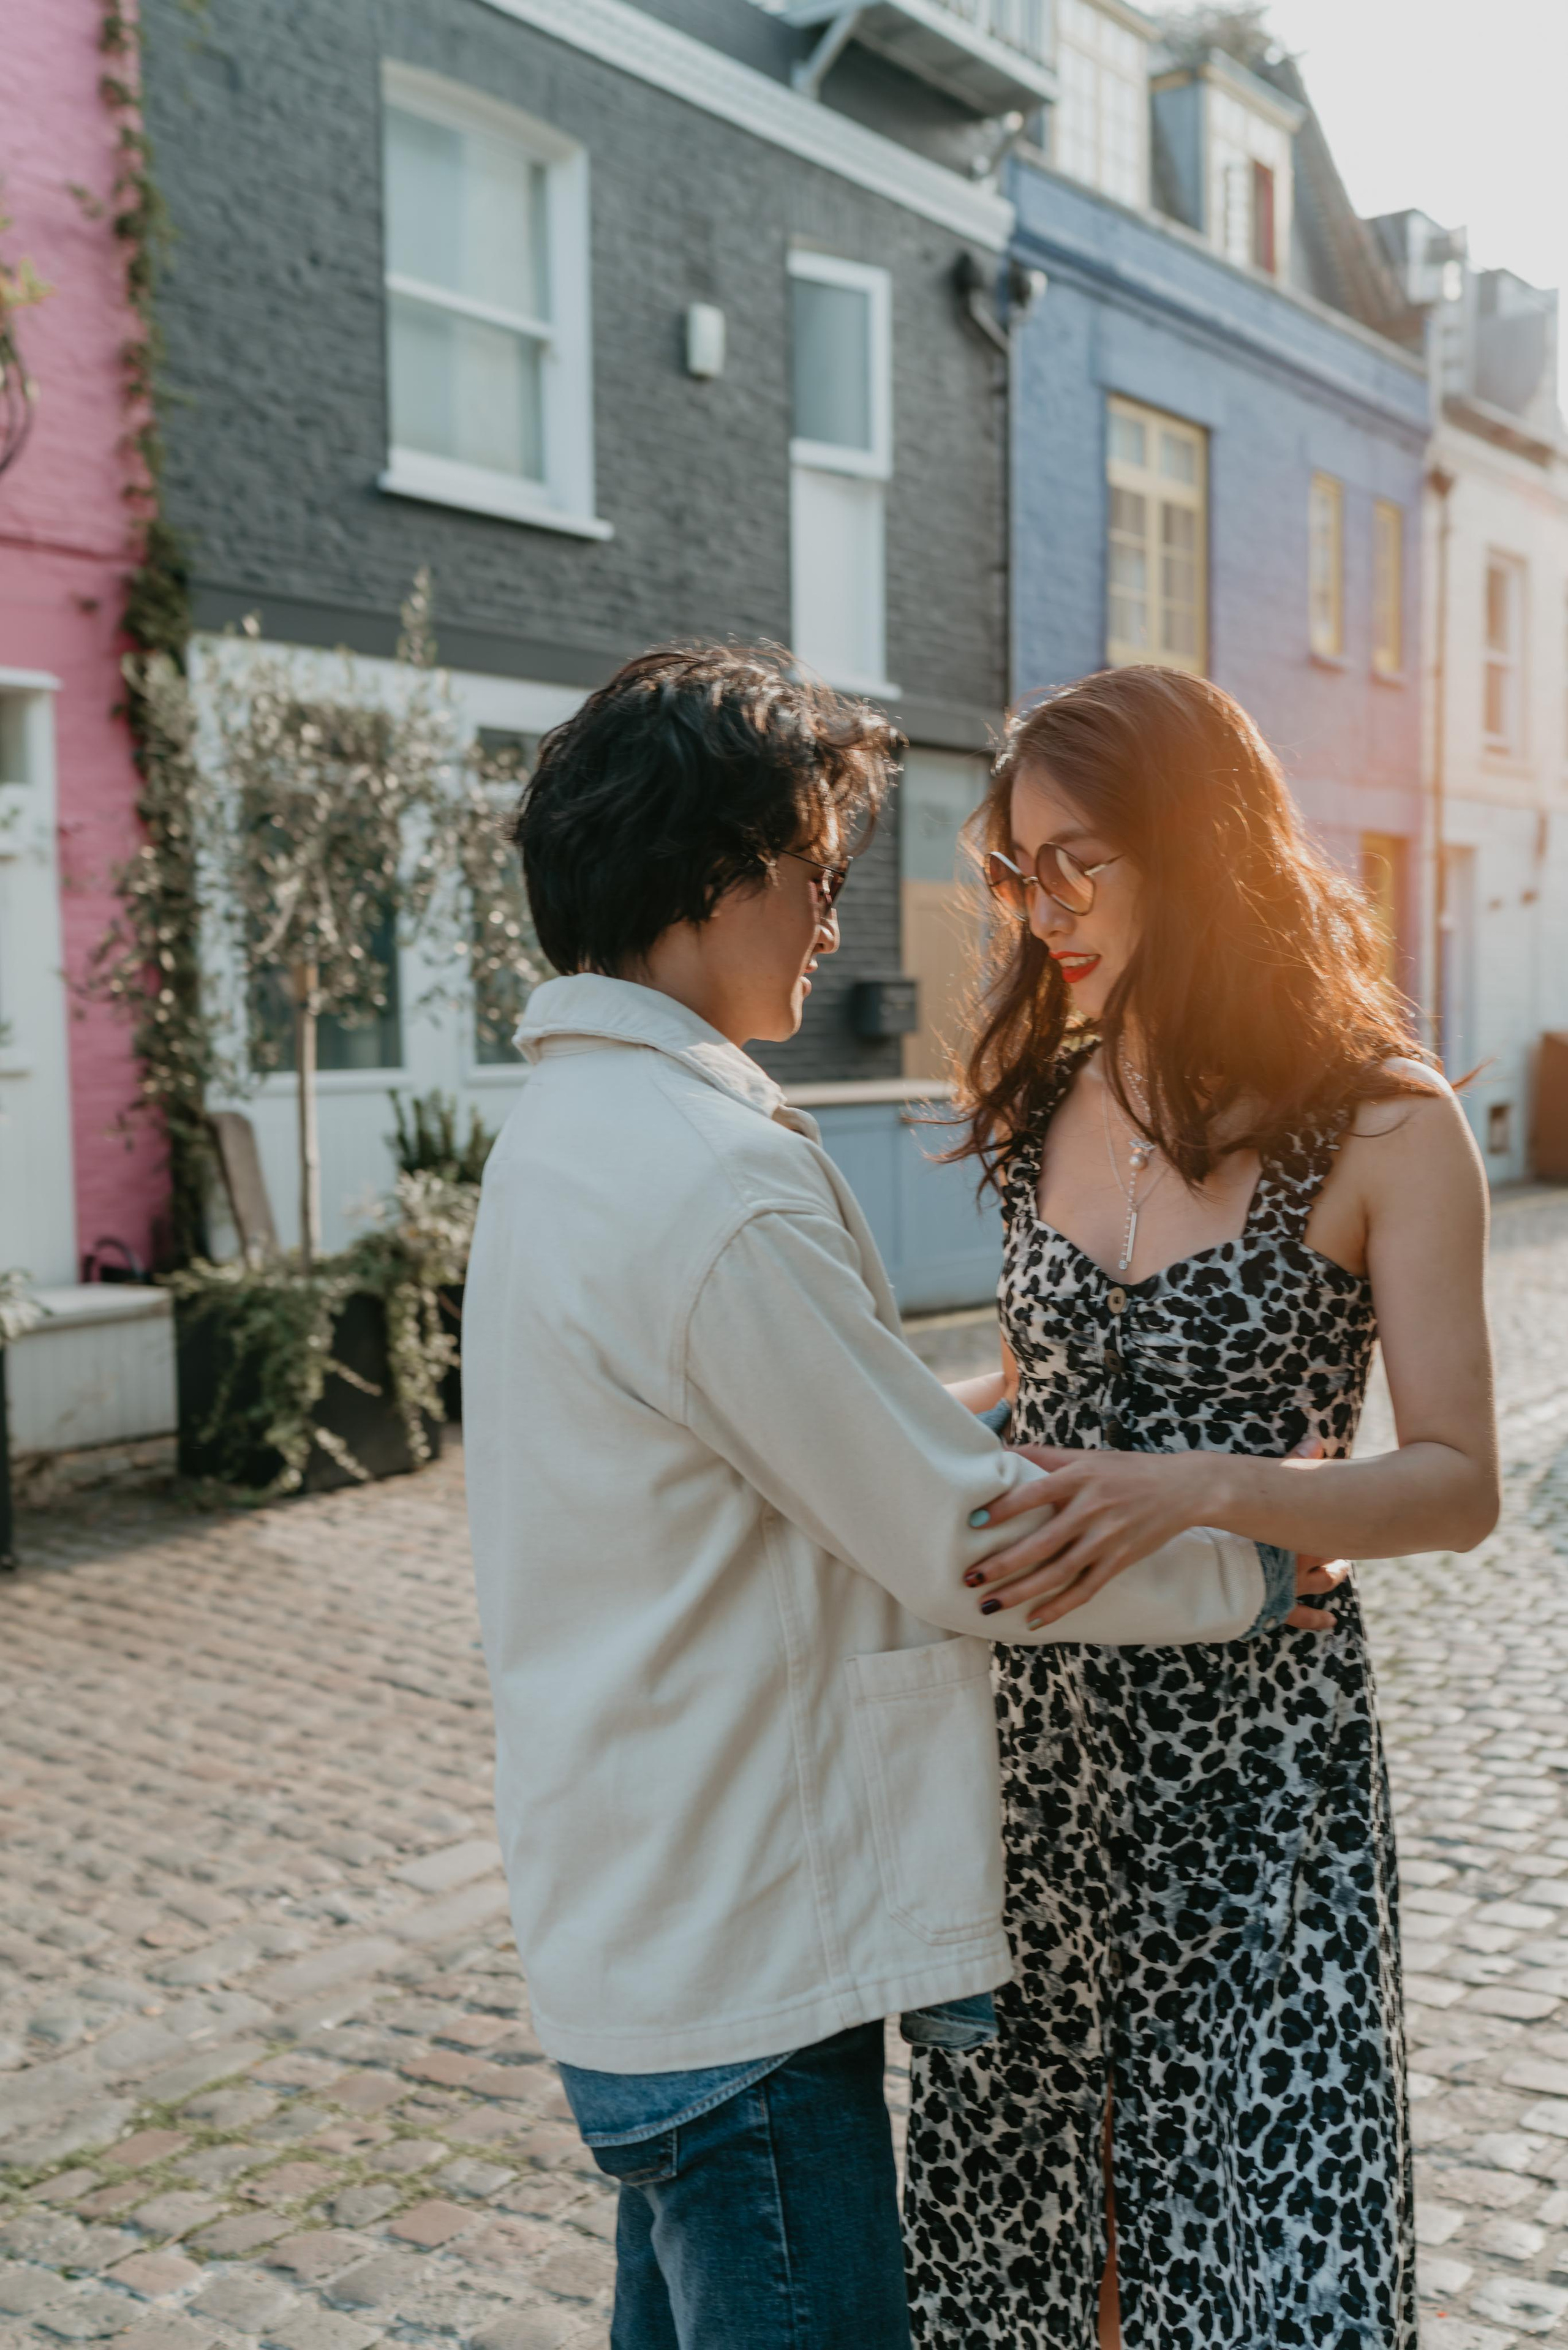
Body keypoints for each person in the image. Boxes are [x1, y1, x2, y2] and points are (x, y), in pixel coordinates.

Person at [461, 646, 1325, 2350]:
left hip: (638, 1943)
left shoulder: (565, 1134)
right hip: (749, 1983)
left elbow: (757, 1439)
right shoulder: (712, 1182)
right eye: (815, 874)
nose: (832, 924)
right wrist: (1263, 1563)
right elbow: (958, 1543)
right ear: (714, 873)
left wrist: (990, 1399)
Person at [900, 666, 1500, 2350]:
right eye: (1018, 873)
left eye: (1077, 862)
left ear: (1199, 842)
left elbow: (1459, 1482)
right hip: (1032, 1760)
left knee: (1251, 2245)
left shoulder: (1387, 1119)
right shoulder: (1034, 1104)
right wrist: (848, 1435)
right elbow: (1040, 1397)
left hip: (1259, 1770)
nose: (1041, 912)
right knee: (1029, 2233)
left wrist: (1219, 1493)